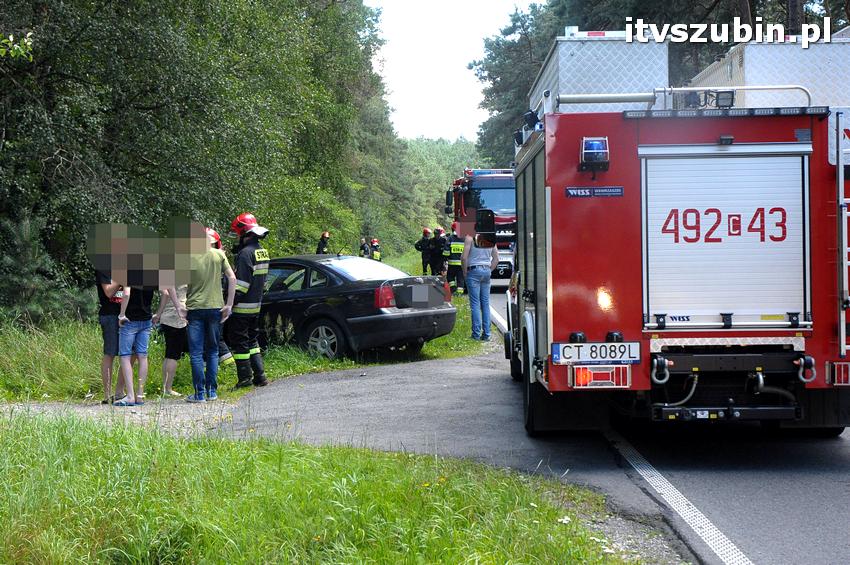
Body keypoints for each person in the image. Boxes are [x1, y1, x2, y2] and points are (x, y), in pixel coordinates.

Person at [179, 226, 236, 402]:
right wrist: (229, 305)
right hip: (215, 308)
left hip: (194, 309)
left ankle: (199, 394)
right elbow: (232, 278)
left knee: (196, 353)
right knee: (213, 351)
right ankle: (212, 392)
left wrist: (179, 306)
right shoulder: (219, 255)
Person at [229, 213, 270, 388]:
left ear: (243, 233)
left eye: (237, 234)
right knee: (253, 341)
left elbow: (241, 286)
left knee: (240, 344)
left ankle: (245, 378)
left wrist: (229, 304)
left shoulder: (245, 254)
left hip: (242, 309)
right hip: (256, 307)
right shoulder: (261, 252)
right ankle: (260, 376)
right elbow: (263, 282)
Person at [116, 285, 155, 405]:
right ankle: (140, 395)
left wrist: (121, 314)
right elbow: (166, 293)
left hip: (130, 320)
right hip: (146, 319)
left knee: (125, 356)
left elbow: (126, 293)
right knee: (142, 356)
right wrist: (158, 313)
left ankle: (130, 396)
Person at [461, 231, 499, 341]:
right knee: (485, 304)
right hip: (486, 270)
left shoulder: (470, 237)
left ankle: (476, 334)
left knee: (475, 304)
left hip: (473, 271)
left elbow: (464, 258)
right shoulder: (490, 238)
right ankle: (487, 334)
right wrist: (489, 270)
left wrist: (465, 272)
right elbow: (496, 259)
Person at [95, 271, 126, 403]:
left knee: (130, 353)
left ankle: (119, 392)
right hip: (110, 314)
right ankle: (107, 395)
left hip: (128, 314)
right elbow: (108, 292)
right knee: (110, 352)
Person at [153, 285, 187, 397]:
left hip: (167, 315)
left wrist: (159, 314)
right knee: (173, 355)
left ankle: (165, 387)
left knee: (169, 354)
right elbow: (166, 294)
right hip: (177, 317)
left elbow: (165, 292)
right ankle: (168, 388)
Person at [446, 222, 465, 294]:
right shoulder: (465, 238)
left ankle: (453, 289)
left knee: (450, 276)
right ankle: (459, 293)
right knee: (460, 278)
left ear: (452, 229)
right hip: (462, 264)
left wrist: (445, 258)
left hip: (452, 263)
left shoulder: (450, 238)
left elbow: (446, 251)